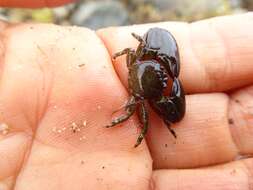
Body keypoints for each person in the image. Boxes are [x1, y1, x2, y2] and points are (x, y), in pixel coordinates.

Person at [0, 1, 252, 189]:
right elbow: (146, 123)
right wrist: (142, 123)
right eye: (164, 73)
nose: (166, 76)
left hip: (139, 84)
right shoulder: (148, 91)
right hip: (141, 93)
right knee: (145, 119)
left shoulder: (138, 60)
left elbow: (148, 43)